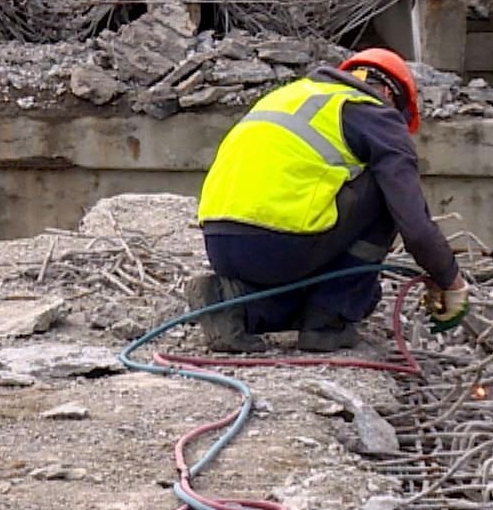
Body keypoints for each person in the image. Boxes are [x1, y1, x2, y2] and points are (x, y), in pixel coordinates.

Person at [191, 48, 469, 353]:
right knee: (387, 188)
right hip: (281, 244)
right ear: (389, 93)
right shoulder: (374, 112)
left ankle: (233, 302)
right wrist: (451, 281)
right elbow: (415, 227)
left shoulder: (291, 95)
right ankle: (328, 320)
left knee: (329, 277)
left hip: (220, 242)